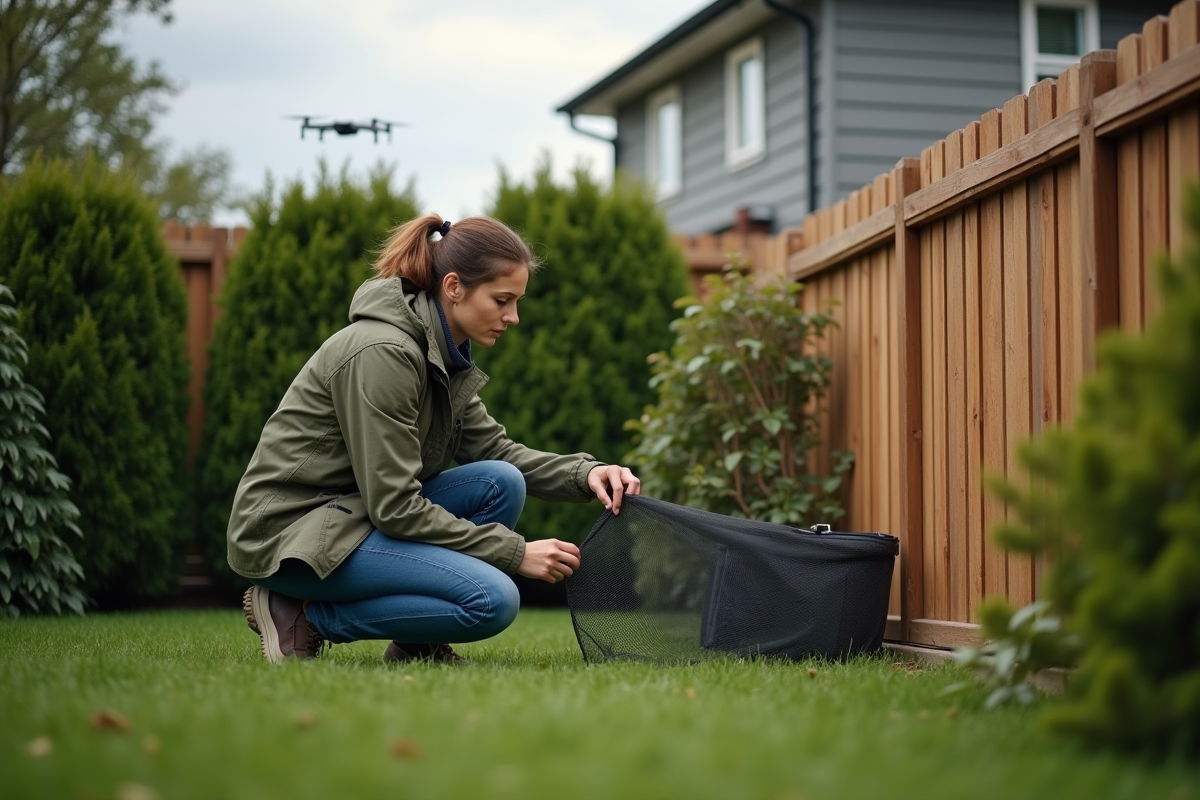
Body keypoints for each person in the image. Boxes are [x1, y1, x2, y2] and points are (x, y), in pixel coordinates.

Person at [227, 214, 640, 665]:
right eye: (502, 300)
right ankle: (305, 615)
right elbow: (396, 506)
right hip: (291, 534)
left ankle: (415, 645)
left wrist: (589, 473)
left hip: (353, 517)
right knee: (492, 599)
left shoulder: (441, 356)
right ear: (454, 287)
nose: (513, 317)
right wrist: (515, 551)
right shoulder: (384, 353)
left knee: (501, 480)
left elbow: (498, 452)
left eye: (517, 302)